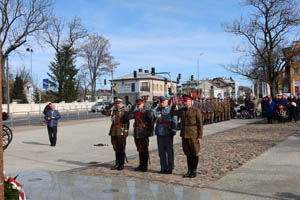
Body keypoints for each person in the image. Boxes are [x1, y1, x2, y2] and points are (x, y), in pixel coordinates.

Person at [171, 95, 203, 178]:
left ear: (190, 101)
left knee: (194, 152)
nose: (184, 103)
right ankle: (189, 170)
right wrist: (174, 105)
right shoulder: (182, 110)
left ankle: (194, 171)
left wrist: (199, 136)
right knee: (188, 153)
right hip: (184, 134)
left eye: (186, 101)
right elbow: (172, 113)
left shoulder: (196, 110)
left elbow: (200, 124)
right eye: (184, 101)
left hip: (193, 135)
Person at [126, 99, 154, 172]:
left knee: (144, 150)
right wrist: (132, 108)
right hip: (137, 133)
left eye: (140, 104)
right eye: (137, 105)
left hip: (144, 133)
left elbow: (151, 123)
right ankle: (141, 165)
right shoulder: (135, 112)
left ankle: (145, 166)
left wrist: (149, 132)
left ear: (143, 104)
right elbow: (128, 117)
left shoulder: (146, 112)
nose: (138, 106)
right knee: (139, 150)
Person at [102, 97, 130, 170]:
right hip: (114, 131)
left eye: (119, 103)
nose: (118, 104)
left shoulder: (125, 111)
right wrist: (111, 105)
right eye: (116, 103)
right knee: (115, 148)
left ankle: (121, 164)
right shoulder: (113, 111)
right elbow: (104, 112)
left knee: (121, 148)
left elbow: (127, 123)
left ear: (122, 103)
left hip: (121, 131)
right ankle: (117, 163)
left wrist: (126, 133)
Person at [154, 96, 177, 174]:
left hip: (168, 133)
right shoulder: (157, 109)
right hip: (159, 133)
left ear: (167, 102)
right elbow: (155, 120)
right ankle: (163, 167)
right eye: (160, 102)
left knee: (169, 151)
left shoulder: (171, 110)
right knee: (161, 152)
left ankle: (170, 167)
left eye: (163, 102)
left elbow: (174, 121)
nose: (161, 103)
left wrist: (174, 130)